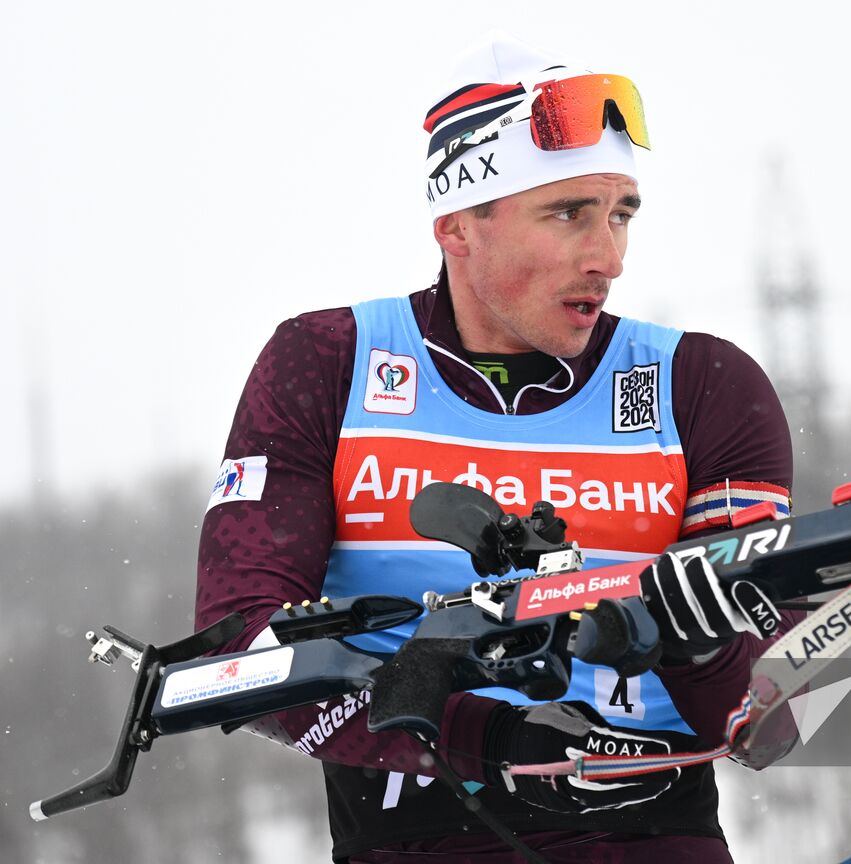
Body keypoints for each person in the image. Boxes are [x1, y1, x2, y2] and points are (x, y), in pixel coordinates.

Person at [195, 31, 798, 864]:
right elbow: (238, 652)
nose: (609, 257)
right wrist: (494, 742)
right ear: (458, 229)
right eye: (569, 214)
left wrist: (698, 644)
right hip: (408, 840)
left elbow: (760, 718)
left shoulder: (699, 383)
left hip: (651, 840)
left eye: (622, 213)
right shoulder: (327, 363)